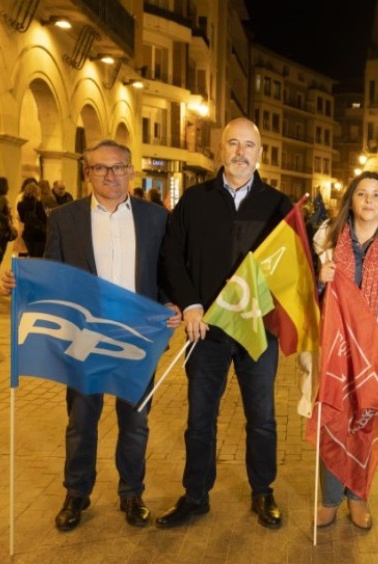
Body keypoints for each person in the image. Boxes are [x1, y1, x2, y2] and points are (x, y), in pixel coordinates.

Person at [2, 140, 181, 531]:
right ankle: (77, 493)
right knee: (81, 419)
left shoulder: (155, 218)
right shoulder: (65, 218)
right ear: (87, 174)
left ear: (131, 171)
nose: (110, 175)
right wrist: (24, 284)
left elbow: (167, 271)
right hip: (83, 336)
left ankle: (132, 493)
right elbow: (54, 273)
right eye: (100, 168)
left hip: (136, 334)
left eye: (118, 168)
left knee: (135, 421)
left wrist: (170, 302)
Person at [157, 117, 294, 529]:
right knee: (200, 417)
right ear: (221, 149)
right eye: (233, 144)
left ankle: (263, 491)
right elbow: (170, 255)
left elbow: (293, 265)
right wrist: (191, 302)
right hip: (207, 331)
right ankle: (196, 495)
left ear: (259, 153)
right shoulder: (195, 200)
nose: (240, 153)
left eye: (248, 145)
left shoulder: (277, 204)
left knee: (262, 418)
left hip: (257, 330)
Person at [312, 171, 378, 530]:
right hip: (336, 350)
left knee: (364, 422)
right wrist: (319, 280)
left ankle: (357, 497)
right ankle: (329, 499)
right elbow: (307, 298)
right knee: (334, 420)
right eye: (362, 194)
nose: (369, 200)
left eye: (377, 194)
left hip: (377, 349)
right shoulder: (327, 241)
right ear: (351, 201)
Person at [17, 182, 48, 257]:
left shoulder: (20, 204)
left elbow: (22, 219)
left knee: (32, 256)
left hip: (27, 234)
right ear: (36, 192)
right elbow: (44, 219)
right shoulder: (38, 204)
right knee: (38, 257)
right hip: (39, 235)